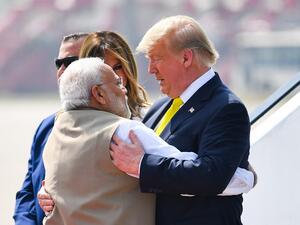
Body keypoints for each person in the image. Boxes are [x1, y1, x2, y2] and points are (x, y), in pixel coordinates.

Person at [42, 57, 253, 225]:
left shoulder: (55, 134)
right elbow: (204, 175)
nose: (124, 88)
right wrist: (247, 175)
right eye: (117, 82)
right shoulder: (124, 132)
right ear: (99, 94)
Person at [110, 15, 252, 225]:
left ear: (186, 58)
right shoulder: (160, 107)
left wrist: (142, 164)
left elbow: (212, 175)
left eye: (156, 58)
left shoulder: (227, 108)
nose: (150, 69)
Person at [13, 33, 88, 225]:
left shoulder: (118, 126)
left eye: (70, 62)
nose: (62, 70)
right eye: (58, 63)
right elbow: (28, 191)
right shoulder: (47, 126)